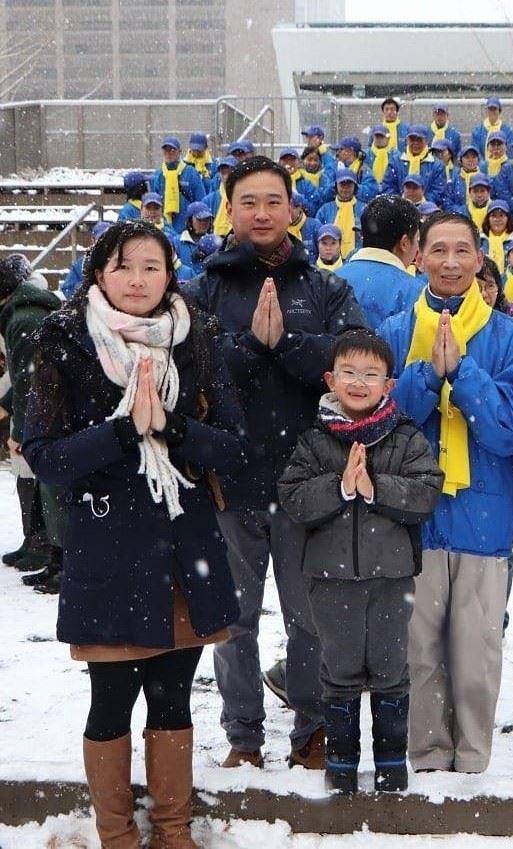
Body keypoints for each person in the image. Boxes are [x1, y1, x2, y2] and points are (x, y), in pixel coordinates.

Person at [21, 220, 246, 849]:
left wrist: (172, 428)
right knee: (110, 701)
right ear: (98, 275)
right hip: (108, 549)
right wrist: (123, 431)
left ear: (170, 274)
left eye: (151, 266)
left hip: (184, 546)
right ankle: (117, 835)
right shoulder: (65, 340)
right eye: (122, 267)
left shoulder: (196, 338)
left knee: (174, 699)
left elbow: (234, 448)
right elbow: (45, 455)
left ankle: (173, 832)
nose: (137, 280)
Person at [182, 156, 368, 772]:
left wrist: (285, 343)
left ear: (293, 209)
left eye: (273, 201)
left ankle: (311, 732)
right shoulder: (201, 289)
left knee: (309, 619)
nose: (261, 213)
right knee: (232, 622)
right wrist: (248, 349)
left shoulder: (326, 287)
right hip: (228, 482)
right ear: (228, 210)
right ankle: (243, 736)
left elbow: (354, 365)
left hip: (306, 484)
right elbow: (190, 369)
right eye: (248, 202)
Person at [378, 211, 513, 774]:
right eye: (437, 249)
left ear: (478, 259)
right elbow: (379, 424)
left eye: (461, 251)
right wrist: (425, 376)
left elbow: (511, 430)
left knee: (476, 655)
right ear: (416, 256)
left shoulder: (507, 336)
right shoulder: (395, 333)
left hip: (483, 515)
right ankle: (425, 756)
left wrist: (463, 373)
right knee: (418, 653)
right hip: (411, 519)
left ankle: (472, 759)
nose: (449, 262)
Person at [278, 332, 443, 794]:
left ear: (388, 384)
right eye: (348, 372)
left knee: (391, 671)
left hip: (391, 578)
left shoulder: (405, 436)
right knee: (340, 672)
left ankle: (392, 766)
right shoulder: (314, 440)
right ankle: (342, 767)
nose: (358, 383)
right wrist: (341, 487)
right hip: (330, 581)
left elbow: (427, 491)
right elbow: (292, 496)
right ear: (330, 379)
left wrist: (377, 489)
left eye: (371, 375)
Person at [1, 255, 65, 594]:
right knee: (46, 489)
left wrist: (20, 433)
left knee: (55, 490)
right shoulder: (19, 314)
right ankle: (52, 557)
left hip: (51, 416)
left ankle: (60, 562)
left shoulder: (24, 319)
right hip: (47, 413)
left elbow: (30, 382)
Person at [334, 195, 424, 330]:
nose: (418, 247)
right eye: (417, 239)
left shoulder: (331, 279)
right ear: (404, 243)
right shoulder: (414, 291)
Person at [150, 136, 206, 234]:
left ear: (179, 152)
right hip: (164, 230)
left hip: (186, 230)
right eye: (166, 151)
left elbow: (201, 200)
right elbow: (153, 202)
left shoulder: (190, 173)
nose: (169, 154)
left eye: (172, 150)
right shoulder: (158, 175)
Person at [381, 125, 447, 208]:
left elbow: (439, 190)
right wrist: (400, 202)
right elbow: (388, 186)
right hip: (399, 209)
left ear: (426, 141)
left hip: (427, 211)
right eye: (412, 139)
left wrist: (422, 203)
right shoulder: (395, 162)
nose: (415, 143)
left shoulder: (436, 165)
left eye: (419, 140)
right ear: (407, 140)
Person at [316, 170, 366, 260]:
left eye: (349, 185)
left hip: (358, 258)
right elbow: (318, 235)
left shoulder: (364, 209)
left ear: (355, 187)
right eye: (342, 184)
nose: (346, 188)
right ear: (336, 186)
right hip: (331, 261)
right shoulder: (325, 210)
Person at [63, 221, 111, 299]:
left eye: (108, 239)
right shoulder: (81, 263)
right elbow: (68, 289)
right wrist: (87, 289)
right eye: (100, 239)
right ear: (93, 240)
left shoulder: (122, 261)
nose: (104, 243)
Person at [328, 136, 379, 205]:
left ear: (350, 151)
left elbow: (371, 192)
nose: (337, 154)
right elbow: (324, 191)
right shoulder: (333, 167)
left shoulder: (363, 170)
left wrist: (351, 186)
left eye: (340, 150)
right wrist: (336, 187)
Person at [480, 199, 513, 275]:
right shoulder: (480, 241)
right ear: (488, 219)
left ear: (508, 219)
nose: (497, 219)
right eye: (493, 216)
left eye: (501, 215)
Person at [174, 201, 213, 269]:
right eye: (199, 219)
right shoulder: (177, 242)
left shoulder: (213, 242)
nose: (204, 223)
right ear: (190, 221)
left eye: (207, 219)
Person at [446, 144, 484, 211]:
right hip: (459, 217)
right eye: (467, 157)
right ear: (461, 160)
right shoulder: (454, 179)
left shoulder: (485, 178)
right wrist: (463, 211)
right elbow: (448, 202)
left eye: (474, 157)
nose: (471, 160)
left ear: (478, 160)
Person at [288, 192, 320, 263]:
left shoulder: (314, 226)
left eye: (291, 209)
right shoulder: (280, 229)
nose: (287, 213)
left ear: (300, 207)